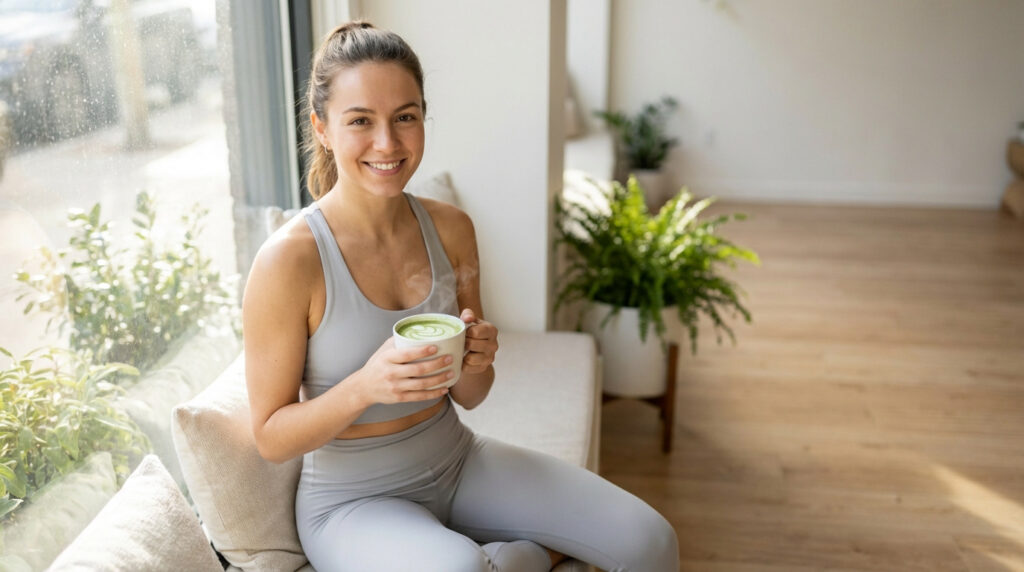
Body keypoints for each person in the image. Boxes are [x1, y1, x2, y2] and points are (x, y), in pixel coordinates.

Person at [242, 21, 678, 572]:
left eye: (405, 117)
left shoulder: (451, 229)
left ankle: (513, 561)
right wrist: (364, 386)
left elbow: (473, 395)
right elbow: (271, 438)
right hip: (351, 503)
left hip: (459, 459)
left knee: (650, 541)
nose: (387, 143)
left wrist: (477, 358)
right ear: (322, 128)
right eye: (360, 121)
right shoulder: (289, 260)